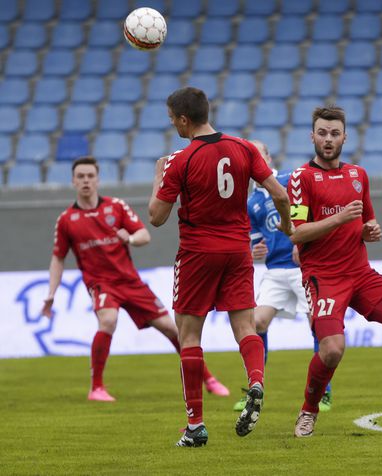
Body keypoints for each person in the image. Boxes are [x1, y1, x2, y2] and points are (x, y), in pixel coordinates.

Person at [148, 87, 292, 447]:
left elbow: (157, 217)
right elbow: (280, 194)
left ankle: (195, 426)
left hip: (198, 253)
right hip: (238, 250)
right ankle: (256, 381)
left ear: (184, 119)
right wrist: (288, 227)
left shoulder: (180, 160)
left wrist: (158, 175)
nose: (173, 126)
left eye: (172, 120)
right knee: (245, 326)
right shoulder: (243, 147)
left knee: (189, 336)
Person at [288, 106, 382, 438]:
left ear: (345, 137)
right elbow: (297, 234)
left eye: (335, 133)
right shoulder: (301, 177)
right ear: (312, 136)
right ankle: (308, 410)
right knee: (332, 350)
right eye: (322, 133)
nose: (328, 140)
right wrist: (341, 218)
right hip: (324, 277)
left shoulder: (358, 175)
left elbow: (365, 220)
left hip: (360, 272)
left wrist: (367, 230)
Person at [42, 156, 230, 403]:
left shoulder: (116, 207)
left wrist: (128, 238)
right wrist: (51, 294)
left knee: (172, 329)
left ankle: (208, 379)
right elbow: (58, 258)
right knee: (107, 320)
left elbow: (143, 235)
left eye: (90, 176)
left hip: (131, 283)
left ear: (97, 180)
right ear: (73, 181)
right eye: (81, 177)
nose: (86, 181)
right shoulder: (67, 220)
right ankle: (96, 388)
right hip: (102, 284)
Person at [233, 140, 333, 413]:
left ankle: (324, 392)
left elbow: (309, 214)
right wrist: (256, 250)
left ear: (267, 156)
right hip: (275, 272)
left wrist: (302, 245)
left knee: (318, 323)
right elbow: (255, 240)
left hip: (303, 268)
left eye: (257, 154)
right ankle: (255, 388)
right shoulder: (252, 201)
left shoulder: (289, 182)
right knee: (257, 323)